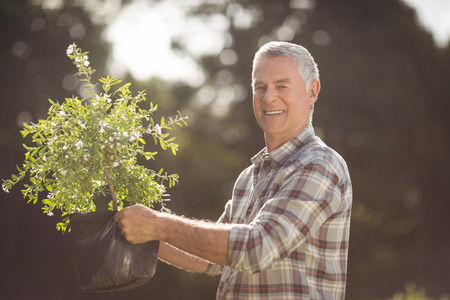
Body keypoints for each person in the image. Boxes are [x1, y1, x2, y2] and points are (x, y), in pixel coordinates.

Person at [115, 41, 353, 299]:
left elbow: (256, 249)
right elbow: (212, 260)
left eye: (282, 86)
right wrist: (140, 231)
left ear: (312, 91)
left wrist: (158, 224)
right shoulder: (249, 177)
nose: (269, 97)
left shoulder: (319, 164)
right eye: (260, 87)